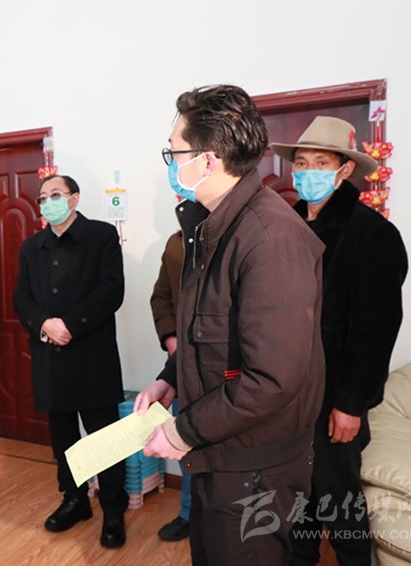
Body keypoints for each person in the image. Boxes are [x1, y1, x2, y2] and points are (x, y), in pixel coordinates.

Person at [134, 84, 326, 565]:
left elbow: (271, 379)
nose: (171, 165)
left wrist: (182, 431)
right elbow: (207, 331)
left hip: (254, 472)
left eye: (174, 153)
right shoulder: (215, 227)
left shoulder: (269, 239)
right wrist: (170, 379)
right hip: (221, 457)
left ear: (208, 160)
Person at [269, 116, 408, 566]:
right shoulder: (286, 226)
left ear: (345, 169)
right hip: (288, 393)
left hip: (335, 397)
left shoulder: (373, 234)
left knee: (339, 498)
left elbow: (376, 330)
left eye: (320, 163)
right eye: (301, 163)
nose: (307, 172)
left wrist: (350, 404)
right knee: (297, 496)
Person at [12, 174, 129, 549]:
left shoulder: (101, 236)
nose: (48, 202)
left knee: (105, 439)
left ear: (74, 199)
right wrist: (44, 324)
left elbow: (111, 290)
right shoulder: (32, 246)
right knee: (63, 438)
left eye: (56, 195)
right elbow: (21, 297)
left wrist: (70, 325)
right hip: (51, 356)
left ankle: (113, 509)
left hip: (92, 357)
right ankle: (75, 499)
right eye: (43, 197)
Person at [149, 229, 191, 542]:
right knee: (184, 436)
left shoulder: (240, 234)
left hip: (228, 369)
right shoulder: (176, 243)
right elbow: (161, 297)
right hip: (182, 367)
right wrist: (170, 339)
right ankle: (189, 513)